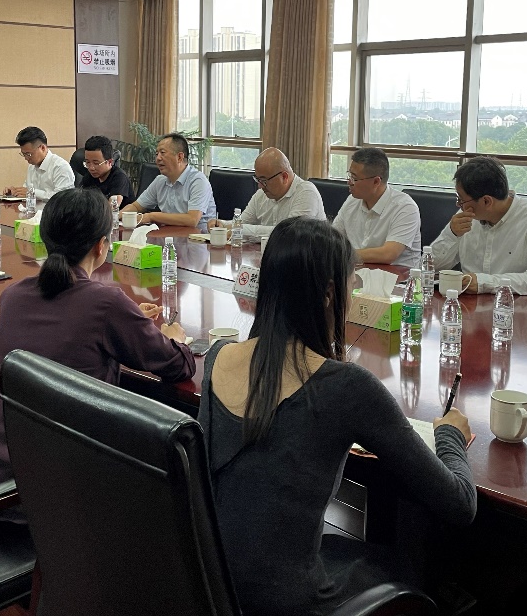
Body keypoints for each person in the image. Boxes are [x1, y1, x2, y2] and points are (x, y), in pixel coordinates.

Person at [197, 217, 475, 615]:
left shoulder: (217, 356)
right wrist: (449, 435)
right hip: (292, 602)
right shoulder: (346, 387)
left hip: (213, 584)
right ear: (330, 293)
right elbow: (460, 504)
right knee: (416, 562)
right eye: (350, 285)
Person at [0, 188, 195, 511]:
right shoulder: (106, 304)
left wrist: (126, 318)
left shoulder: (13, 297)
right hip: (65, 504)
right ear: (102, 246)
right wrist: (176, 339)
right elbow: (177, 366)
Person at [431, 156, 527, 296]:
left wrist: (485, 283)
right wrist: (452, 235)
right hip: (472, 305)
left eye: (461, 200)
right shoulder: (466, 216)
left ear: (487, 201)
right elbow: (428, 268)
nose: (458, 205)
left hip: (523, 306)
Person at [209, 147, 326, 239]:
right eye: (258, 180)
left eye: (264, 181)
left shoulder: (306, 193)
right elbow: (242, 222)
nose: (260, 186)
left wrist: (239, 229)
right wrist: (222, 224)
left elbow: (289, 234)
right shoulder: (262, 194)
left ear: (284, 177)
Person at [332, 147, 421, 266]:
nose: (349, 182)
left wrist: (343, 254)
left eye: (354, 178)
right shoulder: (352, 201)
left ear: (376, 182)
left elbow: (388, 254)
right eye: (349, 175)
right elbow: (333, 239)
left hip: (397, 275)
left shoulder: (405, 207)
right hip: (358, 271)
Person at [121, 133, 217, 230]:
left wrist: (151, 216)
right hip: (168, 235)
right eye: (156, 154)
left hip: (196, 237)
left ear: (179, 157)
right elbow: (136, 206)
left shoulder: (198, 181)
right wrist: (116, 217)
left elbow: (192, 220)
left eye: (162, 153)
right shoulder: (160, 180)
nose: (158, 158)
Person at [4, 126, 74, 200]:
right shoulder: (32, 166)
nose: (26, 158)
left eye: (28, 154)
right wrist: (15, 192)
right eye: (24, 154)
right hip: (33, 207)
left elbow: (62, 198)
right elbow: (26, 190)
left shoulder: (60, 167)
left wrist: (32, 193)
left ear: (42, 148)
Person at [79, 134, 136, 207]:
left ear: (110, 162)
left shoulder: (119, 177)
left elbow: (112, 207)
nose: (91, 168)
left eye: (96, 163)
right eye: (88, 162)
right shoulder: (89, 177)